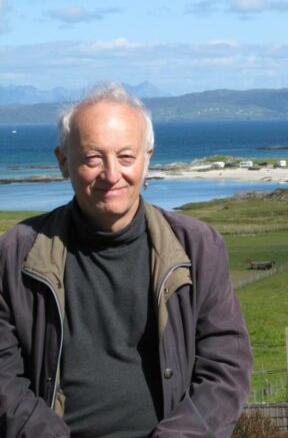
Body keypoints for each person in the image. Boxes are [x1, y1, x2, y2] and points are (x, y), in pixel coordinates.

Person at [0, 83, 253, 437]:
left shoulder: (198, 248)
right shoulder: (15, 254)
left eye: (126, 156)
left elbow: (226, 368)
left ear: (147, 159)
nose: (111, 173)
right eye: (92, 157)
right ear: (63, 161)